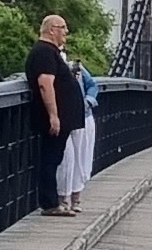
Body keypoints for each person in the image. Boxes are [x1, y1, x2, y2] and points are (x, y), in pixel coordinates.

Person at [24, 11, 81, 215]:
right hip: (52, 118)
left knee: (53, 158)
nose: (66, 31)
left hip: (60, 116)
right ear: (51, 30)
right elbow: (45, 85)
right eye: (62, 27)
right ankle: (49, 204)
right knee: (50, 159)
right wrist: (54, 116)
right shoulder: (44, 52)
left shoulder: (49, 52)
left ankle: (52, 201)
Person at [66, 53, 102, 206]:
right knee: (67, 159)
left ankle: (76, 196)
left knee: (82, 157)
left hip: (84, 117)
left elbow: (92, 85)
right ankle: (64, 198)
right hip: (65, 118)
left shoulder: (77, 67)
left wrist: (88, 101)